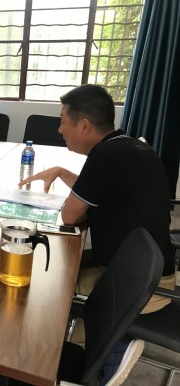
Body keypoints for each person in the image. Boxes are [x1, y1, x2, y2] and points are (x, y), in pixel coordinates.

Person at [19, 84, 176, 385]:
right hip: (148, 267)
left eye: (63, 120)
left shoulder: (105, 156)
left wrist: (71, 198)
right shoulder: (123, 146)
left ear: (84, 126)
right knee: (61, 266)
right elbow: (99, 189)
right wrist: (61, 171)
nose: (59, 129)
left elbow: (69, 216)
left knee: (48, 287)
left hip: (142, 286)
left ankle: (75, 363)